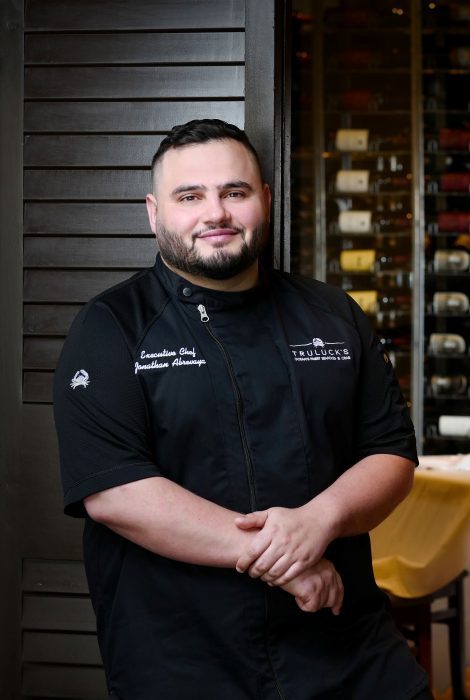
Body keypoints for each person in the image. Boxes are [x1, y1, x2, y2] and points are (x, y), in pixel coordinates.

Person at [54, 119, 433, 700]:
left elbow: (391, 454)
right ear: (154, 213)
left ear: (266, 200)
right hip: (183, 652)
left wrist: (319, 521)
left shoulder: (333, 314)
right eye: (190, 196)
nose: (216, 213)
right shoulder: (111, 326)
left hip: (345, 638)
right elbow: (116, 491)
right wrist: (287, 559)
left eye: (235, 192)